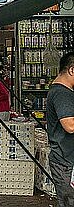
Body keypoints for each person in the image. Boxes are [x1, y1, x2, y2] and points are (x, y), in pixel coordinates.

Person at [46, 52, 74, 207]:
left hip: (66, 160)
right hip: (65, 162)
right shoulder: (62, 93)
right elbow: (69, 125)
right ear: (72, 70)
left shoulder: (64, 92)